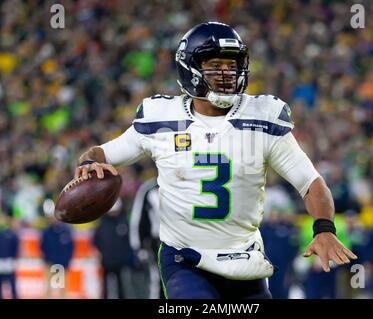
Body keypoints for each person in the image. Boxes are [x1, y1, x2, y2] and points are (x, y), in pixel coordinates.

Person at [75, 22, 357, 299]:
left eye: (231, 65)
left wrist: (324, 228)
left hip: (244, 259)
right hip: (185, 259)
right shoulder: (160, 118)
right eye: (215, 65)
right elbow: (99, 153)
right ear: (191, 68)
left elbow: (310, 183)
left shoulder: (263, 117)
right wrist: (89, 165)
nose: (226, 73)